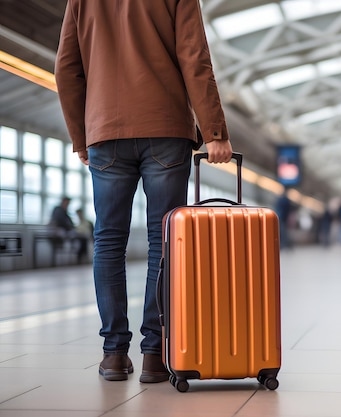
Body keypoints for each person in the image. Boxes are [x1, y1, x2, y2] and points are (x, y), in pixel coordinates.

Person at [55, 0, 233, 383]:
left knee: (107, 242)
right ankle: (155, 353)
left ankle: (114, 354)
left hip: (105, 132)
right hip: (165, 130)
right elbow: (194, 58)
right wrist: (215, 132)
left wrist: (80, 136)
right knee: (164, 242)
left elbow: (66, 68)